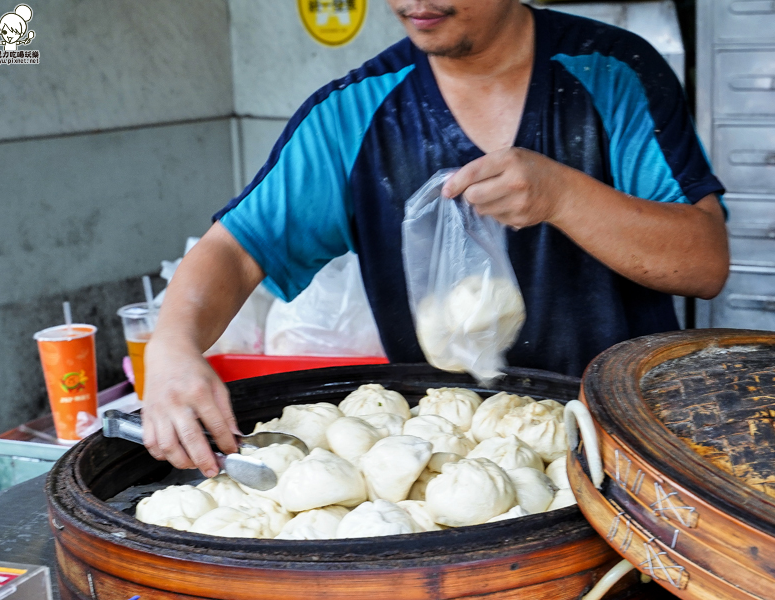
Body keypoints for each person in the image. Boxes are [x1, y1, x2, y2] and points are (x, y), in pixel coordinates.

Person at [141, 0, 729, 478]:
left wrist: (564, 196)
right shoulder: (355, 114)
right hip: (448, 463)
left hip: (622, 443)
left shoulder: (613, 72)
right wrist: (172, 348)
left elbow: (704, 263)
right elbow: (234, 250)